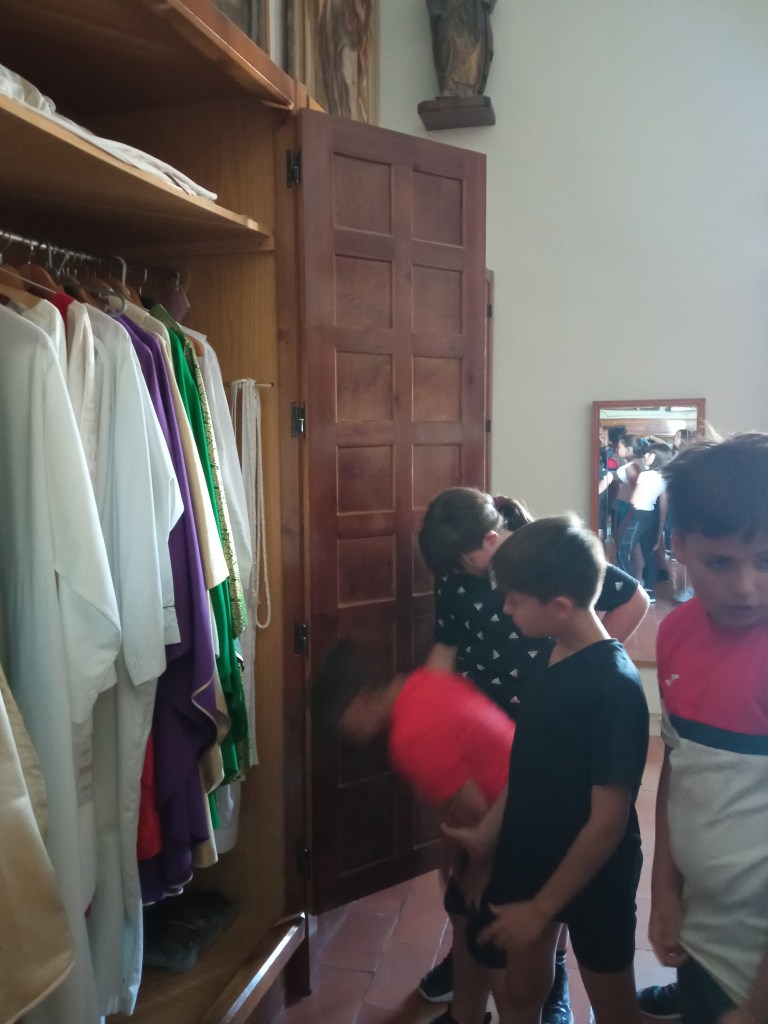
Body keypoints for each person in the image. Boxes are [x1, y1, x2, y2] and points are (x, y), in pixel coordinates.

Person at [416, 488, 650, 1024]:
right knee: (523, 988)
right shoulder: (549, 659)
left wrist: (543, 909)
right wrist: (486, 835)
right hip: (532, 848)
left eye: (515, 601)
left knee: (614, 1002)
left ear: (560, 607)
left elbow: (607, 824)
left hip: (597, 874)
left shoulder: (614, 687)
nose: (504, 609)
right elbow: (525, 769)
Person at [310, 639, 516, 1024]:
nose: (347, 737)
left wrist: (478, 874)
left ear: (360, 701)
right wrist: (450, 861)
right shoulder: (421, 682)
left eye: (342, 725)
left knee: (488, 935)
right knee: (461, 908)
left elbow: (476, 811)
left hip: (520, 821)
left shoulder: (411, 735)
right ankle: (465, 1017)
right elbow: (453, 804)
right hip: (509, 806)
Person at [642, 433, 768, 1024]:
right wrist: (663, 889)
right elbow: (680, 765)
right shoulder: (676, 632)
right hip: (702, 936)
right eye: (720, 562)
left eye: (766, 560)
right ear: (680, 547)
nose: (745, 586)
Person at [616, 442, 673, 602]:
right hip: (653, 516)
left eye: (650, 453)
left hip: (640, 514)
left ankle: (630, 587)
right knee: (649, 553)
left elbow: (634, 499)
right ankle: (649, 590)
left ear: (657, 456)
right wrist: (660, 529)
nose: (645, 456)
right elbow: (663, 506)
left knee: (622, 551)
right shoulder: (664, 477)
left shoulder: (645, 475)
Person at [426, 0, 497, 98]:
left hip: (472, 9)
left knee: (471, 42)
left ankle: (468, 87)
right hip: (448, 8)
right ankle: (449, 85)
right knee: (447, 38)